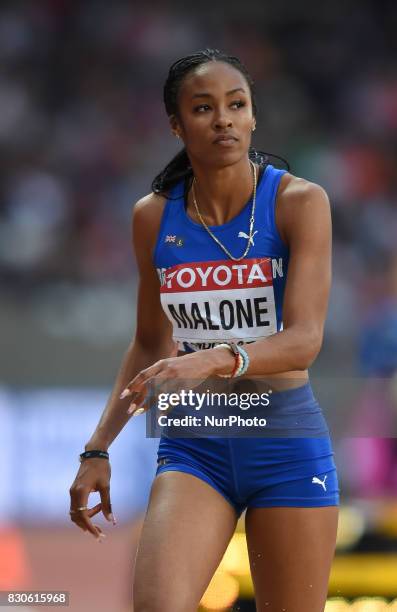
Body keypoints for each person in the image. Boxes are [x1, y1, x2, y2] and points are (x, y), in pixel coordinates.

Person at [69, 49, 339, 612]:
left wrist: (212, 358)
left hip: (284, 442)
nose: (224, 120)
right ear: (176, 125)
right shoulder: (153, 216)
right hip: (198, 441)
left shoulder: (299, 203)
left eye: (237, 105)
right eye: (204, 108)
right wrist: (96, 448)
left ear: (253, 117)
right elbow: (148, 341)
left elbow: (305, 340)